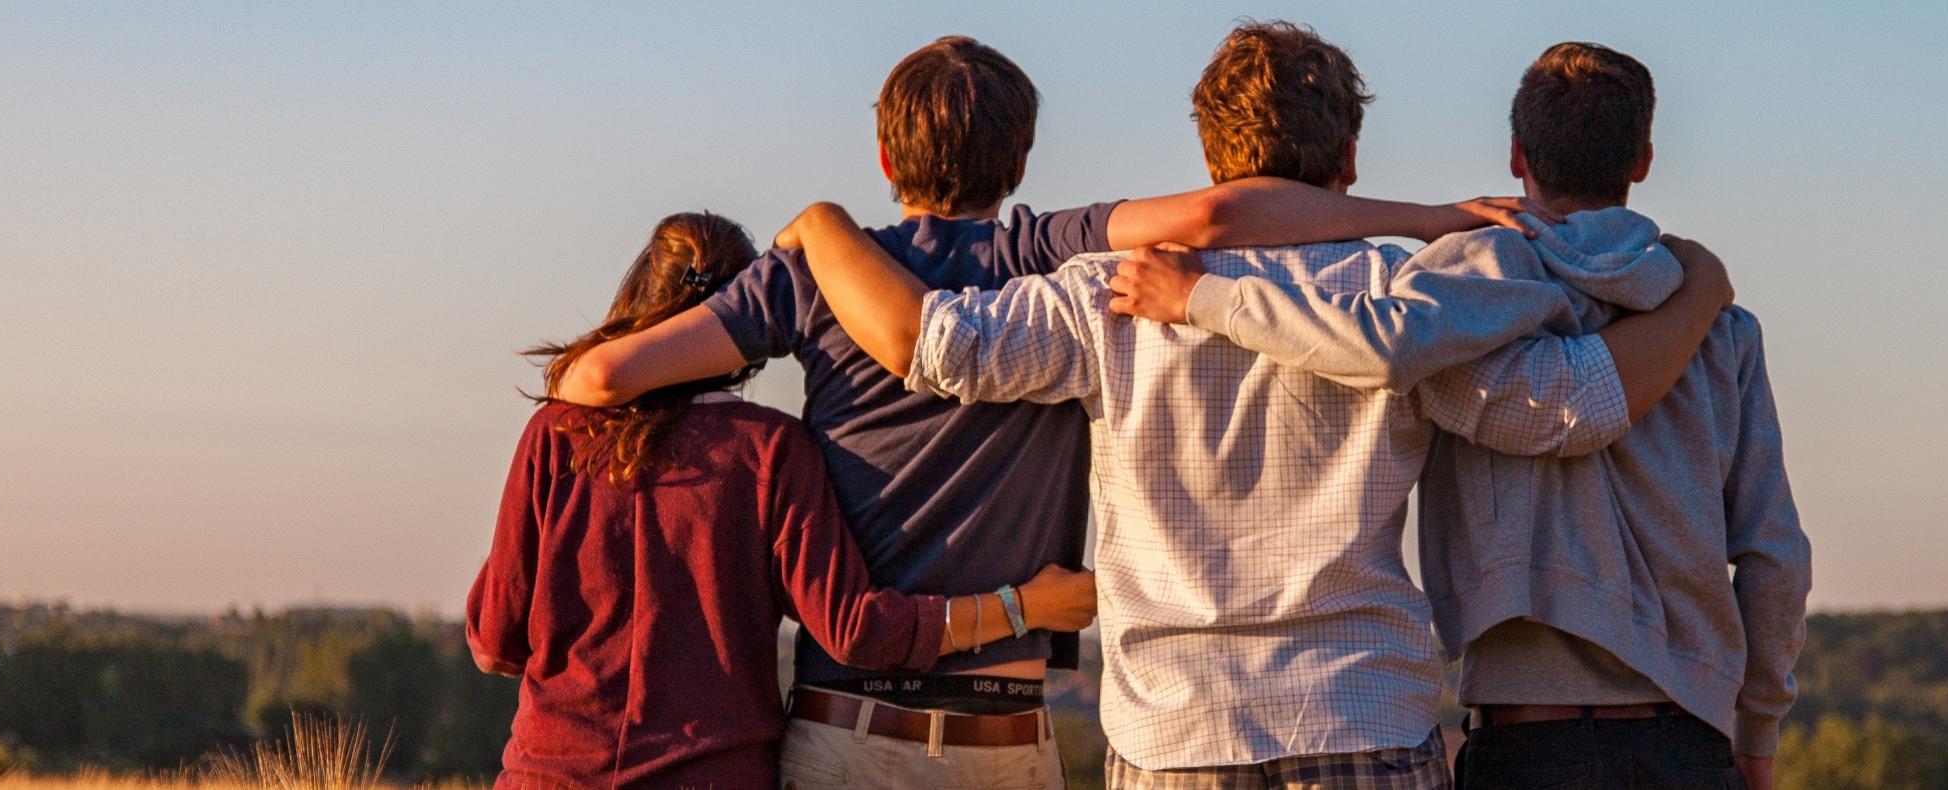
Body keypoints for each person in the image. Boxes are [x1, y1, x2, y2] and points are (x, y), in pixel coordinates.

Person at [547, 36, 1552, 790]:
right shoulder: (1056, 253)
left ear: (885, 157)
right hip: (1113, 719)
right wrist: (1431, 220)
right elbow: (1217, 219)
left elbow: (605, 383)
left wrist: (815, 232)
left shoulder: (854, 279)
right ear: (1021, 159)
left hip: (932, 723)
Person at [769, 21, 1736, 789]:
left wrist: (822, 230)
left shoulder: (1109, 291)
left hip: (1174, 735)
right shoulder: (1397, 297)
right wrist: (1696, 291)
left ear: (1209, 153)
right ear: (1350, 158)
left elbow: (937, 347)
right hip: (1364, 714)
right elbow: (1549, 414)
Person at [1106, 43, 1812, 790]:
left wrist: (1202, 300)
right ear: (1641, 159)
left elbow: (1386, 345)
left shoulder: (1459, 297)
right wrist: (1757, 732)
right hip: (1691, 737)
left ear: (1516, 155)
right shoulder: (1722, 330)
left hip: (1526, 738)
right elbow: (1774, 557)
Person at [464, 212, 1100, 790]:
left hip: (549, 774)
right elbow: (855, 631)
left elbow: (496, 643)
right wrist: (1026, 605)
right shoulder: (770, 450)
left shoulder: (557, 434)